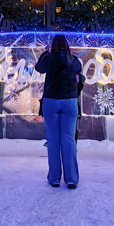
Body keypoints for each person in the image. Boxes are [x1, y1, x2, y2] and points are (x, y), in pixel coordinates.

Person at [34, 35, 82, 189]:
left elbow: (38, 68)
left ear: (52, 46)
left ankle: (55, 178)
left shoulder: (48, 60)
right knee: (68, 140)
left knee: (53, 140)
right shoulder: (74, 61)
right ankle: (72, 179)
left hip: (51, 101)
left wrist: (46, 52)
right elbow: (78, 71)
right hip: (70, 101)